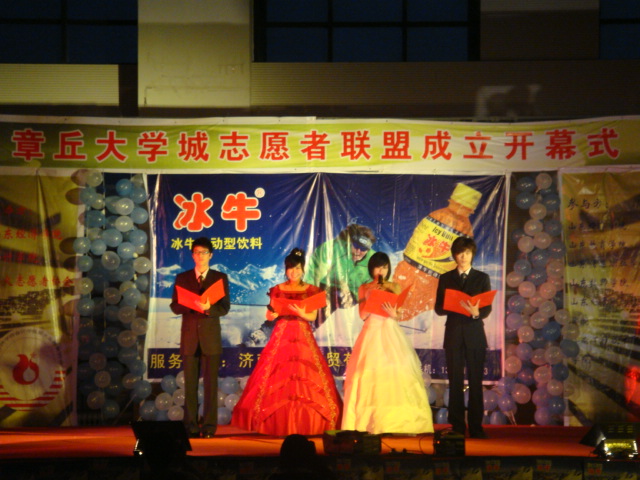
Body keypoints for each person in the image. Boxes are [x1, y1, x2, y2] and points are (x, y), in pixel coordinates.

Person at [231, 248, 342, 436]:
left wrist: (301, 313)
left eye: (298, 268)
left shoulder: (311, 290)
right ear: (285, 269)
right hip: (281, 333)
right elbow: (270, 315)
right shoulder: (277, 289)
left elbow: (313, 316)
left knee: (304, 374)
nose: (294, 272)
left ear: (303, 269)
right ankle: (272, 422)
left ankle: (310, 422)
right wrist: (272, 315)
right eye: (291, 268)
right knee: (277, 374)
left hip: (302, 333)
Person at [341, 252, 434, 435]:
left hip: (390, 330)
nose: (381, 270)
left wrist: (394, 314)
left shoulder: (394, 286)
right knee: (368, 375)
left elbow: (398, 313)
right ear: (371, 269)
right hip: (371, 330)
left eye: (384, 267)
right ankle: (367, 423)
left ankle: (399, 423)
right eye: (378, 267)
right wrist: (372, 299)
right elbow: (362, 315)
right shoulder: (364, 287)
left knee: (396, 373)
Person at [170, 237, 230, 438]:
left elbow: (224, 308)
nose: (200, 256)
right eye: (196, 252)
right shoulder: (183, 278)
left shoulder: (219, 278)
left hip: (210, 338)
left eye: (204, 252)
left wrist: (208, 308)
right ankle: (191, 426)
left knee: (211, 385)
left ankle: (209, 427)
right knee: (190, 385)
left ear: (210, 255)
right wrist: (190, 304)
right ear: (192, 255)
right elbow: (174, 306)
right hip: (190, 338)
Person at [434, 237, 492, 439]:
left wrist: (476, 313)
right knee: (455, 381)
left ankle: (476, 427)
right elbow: (438, 308)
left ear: (472, 254)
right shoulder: (446, 278)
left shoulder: (482, 278)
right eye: (459, 253)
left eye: (467, 253)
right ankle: (457, 426)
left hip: (475, 335)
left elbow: (487, 308)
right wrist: (452, 305)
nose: (463, 256)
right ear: (454, 256)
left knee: (476, 382)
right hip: (454, 334)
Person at [304, 223, 376, 315]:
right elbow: (314, 276)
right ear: (350, 242)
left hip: (353, 295)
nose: (358, 251)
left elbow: (377, 286)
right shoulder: (331, 249)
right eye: (356, 246)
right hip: (326, 287)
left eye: (363, 249)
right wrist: (311, 300)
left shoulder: (373, 260)